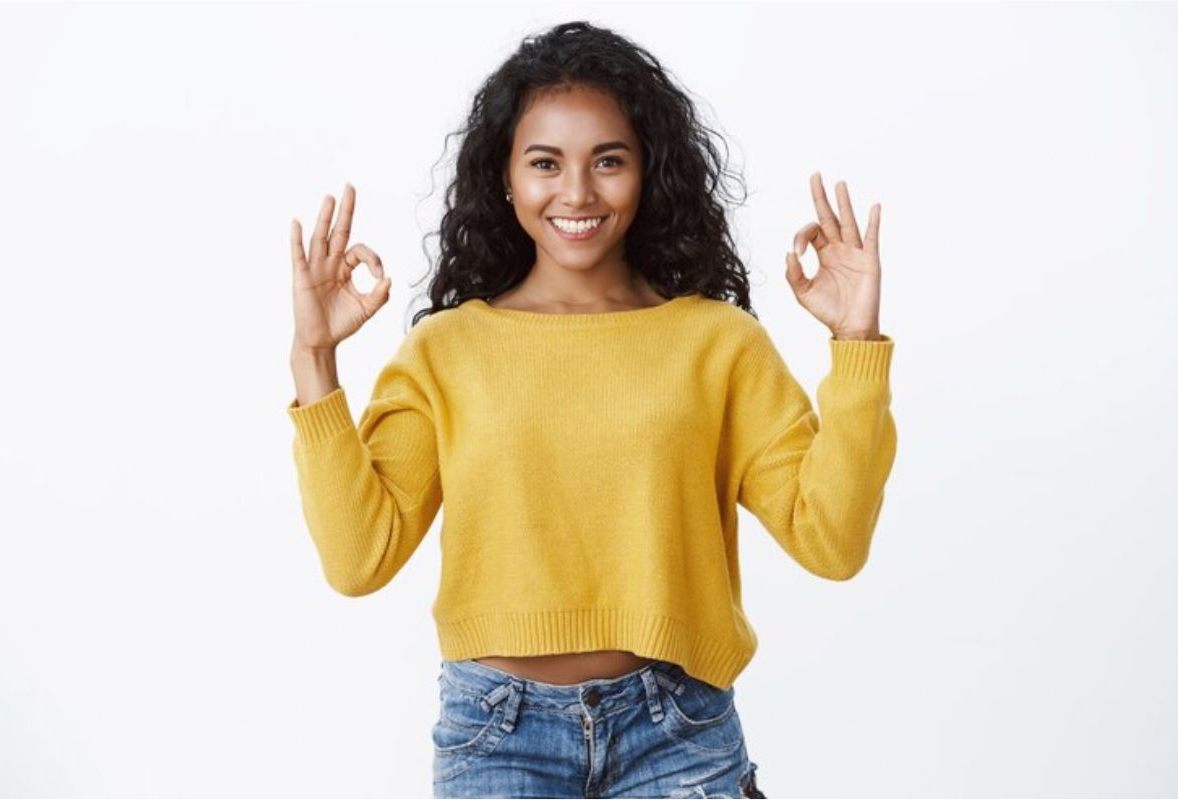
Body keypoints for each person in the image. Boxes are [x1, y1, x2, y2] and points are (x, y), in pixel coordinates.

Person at [286, 20, 895, 799]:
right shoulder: (446, 351)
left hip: (678, 734)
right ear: (505, 177)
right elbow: (357, 559)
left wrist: (857, 342)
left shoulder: (717, 343)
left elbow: (832, 542)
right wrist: (314, 360)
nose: (576, 193)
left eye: (608, 161)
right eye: (546, 163)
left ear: (649, 174)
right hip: (495, 738)